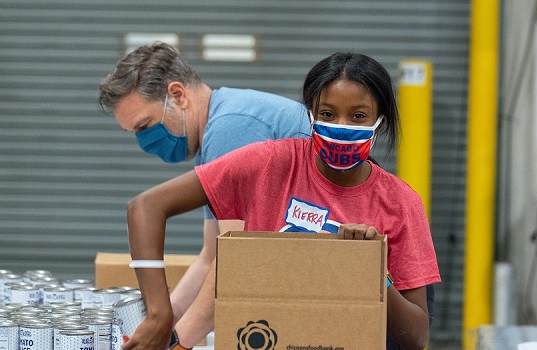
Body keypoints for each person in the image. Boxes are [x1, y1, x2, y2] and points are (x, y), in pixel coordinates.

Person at [123, 52, 441, 350]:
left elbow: (417, 336)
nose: (341, 127)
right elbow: (147, 207)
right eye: (328, 114)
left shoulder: (400, 203)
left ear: (379, 122)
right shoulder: (271, 164)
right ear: (311, 115)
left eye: (358, 116)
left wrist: (372, 270)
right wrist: (160, 316)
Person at [97, 43, 311, 326]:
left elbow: (236, 261)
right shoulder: (213, 140)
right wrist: (162, 319)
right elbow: (211, 256)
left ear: (177, 95)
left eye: (144, 126)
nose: (143, 142)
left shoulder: (230, 130)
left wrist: (177, 340)